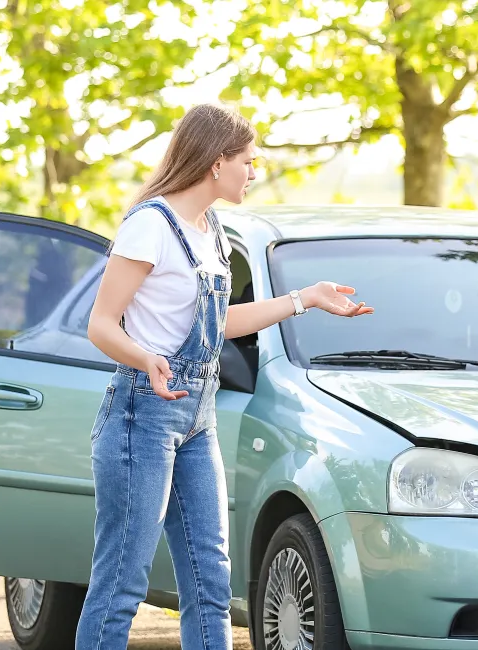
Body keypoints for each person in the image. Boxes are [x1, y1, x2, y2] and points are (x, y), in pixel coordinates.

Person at [77, 103, 372, 650]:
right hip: (142, 414)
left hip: (197, 418)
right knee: (122, 581)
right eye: (248, 161)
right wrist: (146, 359)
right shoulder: (150, 225)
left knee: (211, 580)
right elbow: (100, 324)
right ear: (217, 162)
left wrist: (304, 299)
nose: (254, 172)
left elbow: (218, 327)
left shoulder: (211, 228)